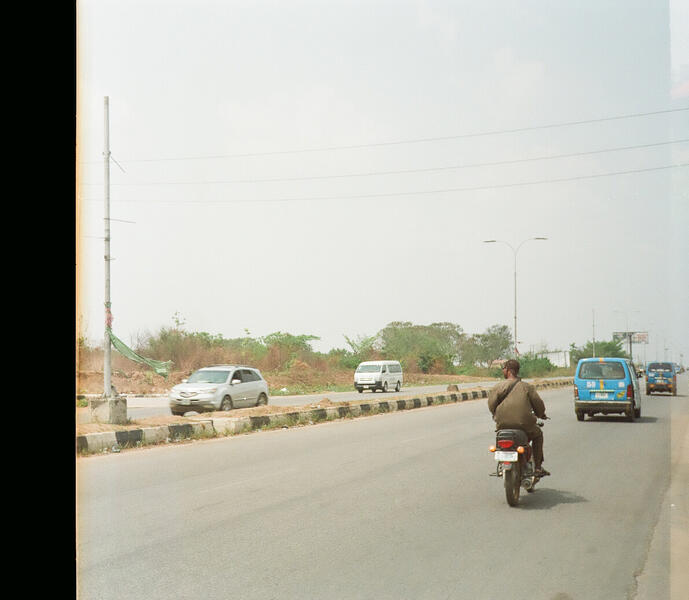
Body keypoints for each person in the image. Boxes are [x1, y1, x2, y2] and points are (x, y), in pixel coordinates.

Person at [487, 359, 550, 477]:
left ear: (509, 370)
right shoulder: (526, 387)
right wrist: (541, 414)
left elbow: (491, 405)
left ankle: (502, 464)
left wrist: (496, 414)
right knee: (538, 435)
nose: (502, 371)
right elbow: (539, 405)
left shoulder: (498, 387)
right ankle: (537, 467)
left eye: (504, 368)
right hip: (524, 426)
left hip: (502, 425)